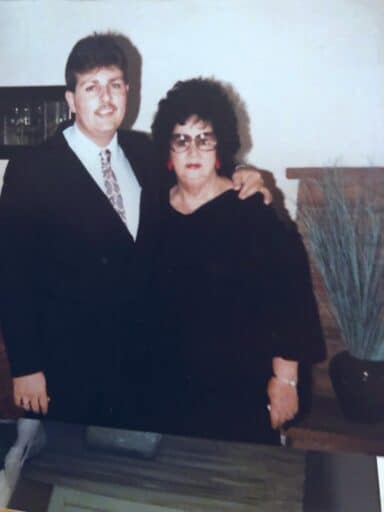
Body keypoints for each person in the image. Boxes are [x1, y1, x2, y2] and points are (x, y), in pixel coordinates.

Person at [0, 33, 266, 428]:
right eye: (91, 87)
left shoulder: (147, 153)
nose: (105, 98)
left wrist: (242, 172)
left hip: (144, 364)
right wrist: (25, 366)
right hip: (67, 367)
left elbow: (199, 170)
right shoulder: (32, 169)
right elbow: (12, 274)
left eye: (114, 85)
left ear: (127, 90)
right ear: (72, 99)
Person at [150, 78, 326, 444]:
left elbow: (291, 298)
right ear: (168, 149)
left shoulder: (252, 209)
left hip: (241, 389)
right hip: (171, 387)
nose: (193, 150)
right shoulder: (154, 210)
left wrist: (286, 380)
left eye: (205, 138)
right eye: (181, 139)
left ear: (221, 146)